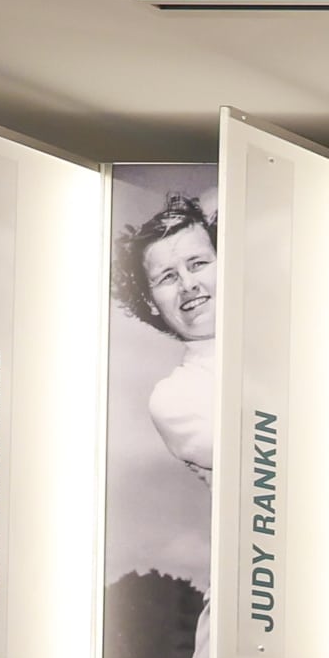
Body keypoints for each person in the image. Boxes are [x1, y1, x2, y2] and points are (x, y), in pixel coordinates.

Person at [115, 193, 217, 479]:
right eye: (168, 277)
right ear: (150, 301)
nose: (188, 284)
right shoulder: (175, 398)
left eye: (198, 264)